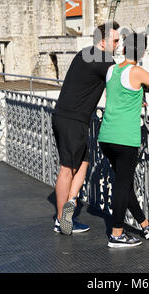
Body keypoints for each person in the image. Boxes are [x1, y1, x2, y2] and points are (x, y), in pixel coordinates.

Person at [98, 32, 149, 248]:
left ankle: (145, 225)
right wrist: (144, 88)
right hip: (125, 137)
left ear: (124, 49)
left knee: (124, 183)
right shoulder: (137, 71)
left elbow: (122, 94)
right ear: (143, 51)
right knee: (122, 186)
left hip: (106, 135)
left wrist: (137, 97)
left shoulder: (112, 70)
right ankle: (117, 235)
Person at [52, 21, 120, 235]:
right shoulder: (104, 60)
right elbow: (124, 79)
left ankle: (68, 209)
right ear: (103, 41)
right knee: (66, 169)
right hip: (73, 120)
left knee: (83, 163)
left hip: (66, 117)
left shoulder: (85, 52)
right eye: (115, 40)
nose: (118, 44)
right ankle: (61, 220)